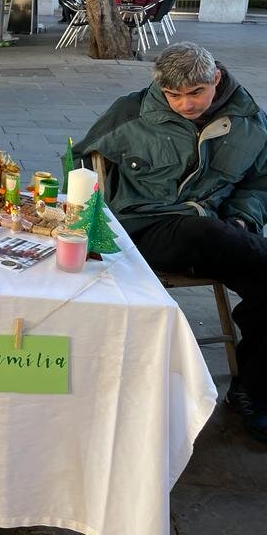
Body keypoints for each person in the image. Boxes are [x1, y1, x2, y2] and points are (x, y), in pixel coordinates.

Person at [74, 42, 267, 443]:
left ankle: (253, 390)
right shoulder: (131, 112)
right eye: (173, 95)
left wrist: (243, 217)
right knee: (207, 233)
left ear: (216, 79)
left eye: (196, 92)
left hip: (218, 232)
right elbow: (80, 163)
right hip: (145, 227)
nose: (185, 104)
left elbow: (260, 183)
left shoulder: (250, 121)